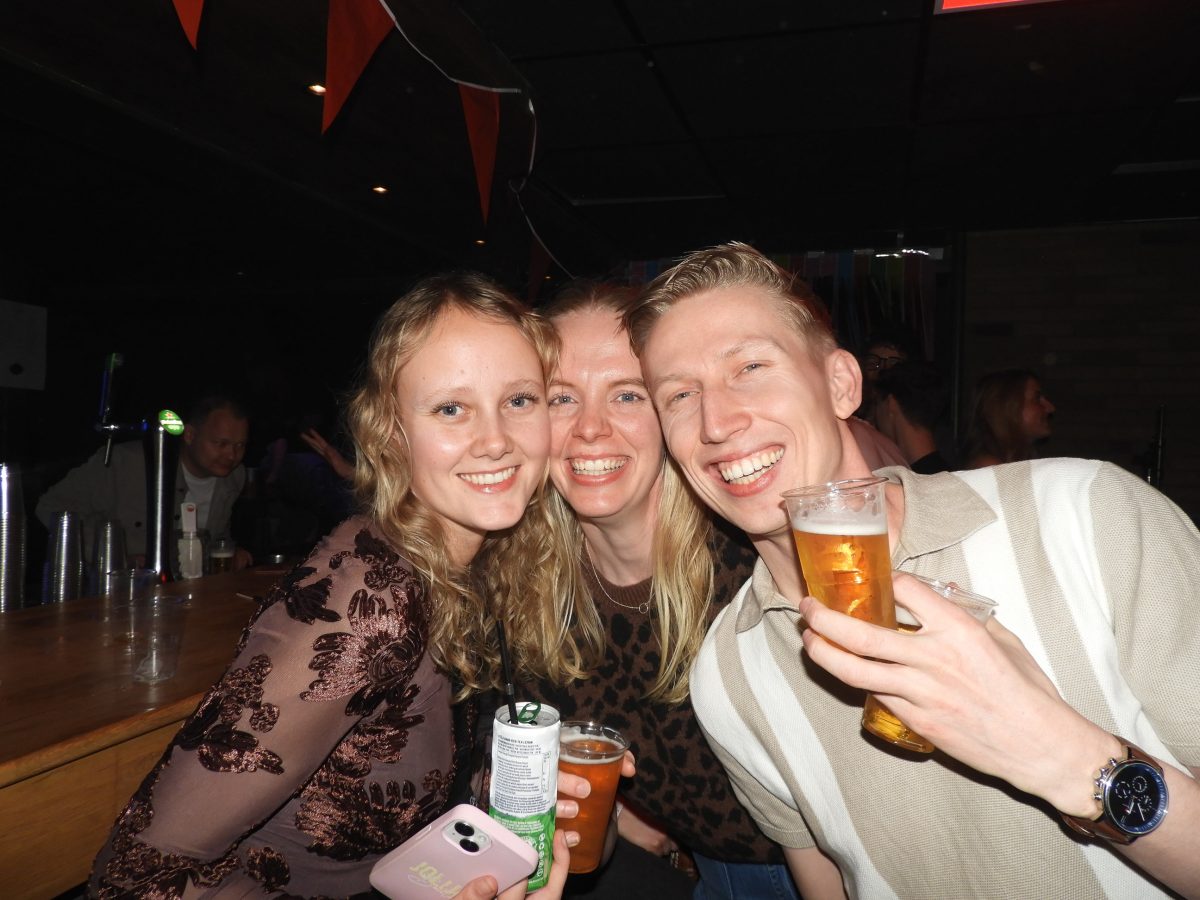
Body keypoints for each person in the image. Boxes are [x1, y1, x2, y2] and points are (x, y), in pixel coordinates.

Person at [628, 242, 1200, 900]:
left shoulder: (1086, 514)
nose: (717, 422)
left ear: (842, 384)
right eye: (679, 395)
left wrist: (1057, 751)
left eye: (751, 367)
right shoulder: (727, 675)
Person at [89, 273, 575, 899]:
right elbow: (133, 875)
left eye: (520, 400)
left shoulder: (484, 565)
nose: (496, 440)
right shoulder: (368, 596)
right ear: (393, 433)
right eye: (451, 408)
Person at [524, 282, 799, 899]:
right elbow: (586, 821)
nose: (590, 429)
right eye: (561, 398)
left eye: (627, 394)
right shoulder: (531, 590)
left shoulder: (752, 565)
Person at [36, 394, 254, 570]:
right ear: (189, 435)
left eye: (240, 445)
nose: (231, 455)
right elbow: (51, 506)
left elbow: (217, 535)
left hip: (188, 592)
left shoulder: (234, 477)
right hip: (116, 589)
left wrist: (229, 551)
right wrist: (113, 556)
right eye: (220, 443)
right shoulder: (126, 463)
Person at [872, 360, 954, 473]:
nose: (874, 415)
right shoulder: (946, 473)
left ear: (891, 404)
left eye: (877, 404)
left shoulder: (901, 479)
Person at [963, 368, 1055, 468]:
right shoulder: (990, 467)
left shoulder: (1014, 461)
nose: (1050, 408)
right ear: (1008, 406)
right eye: (1036, 398)